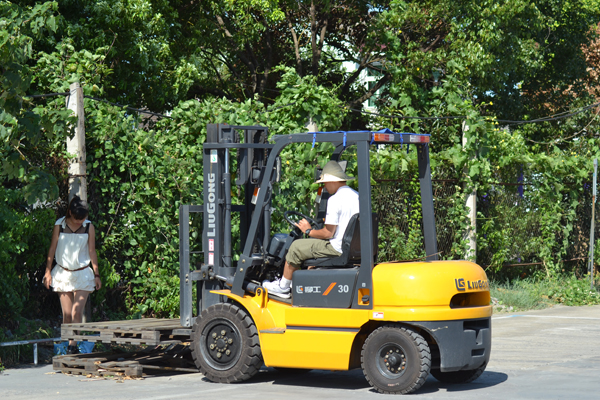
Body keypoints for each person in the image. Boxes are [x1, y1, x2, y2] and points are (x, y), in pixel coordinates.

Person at [264, 161, 359, 298]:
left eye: (325, 183)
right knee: (308, 245)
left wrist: (308, 230)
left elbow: (328, 233)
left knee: (296, 246)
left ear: (332, 180)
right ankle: (295, 281)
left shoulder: (335, 199)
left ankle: (283, 286)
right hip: (351, 248)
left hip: (337, 248)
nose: (325, 187)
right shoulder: (357, 196)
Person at [43, 196, 101, 354]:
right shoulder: (59, 225)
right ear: (70, 213)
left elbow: (92, 251)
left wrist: (97, 274)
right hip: (63, 273)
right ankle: (68, 345)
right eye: (77, 218)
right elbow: (52, 248)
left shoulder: (89, 227)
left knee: (77, 311)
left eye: (82, 219)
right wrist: (48, 271)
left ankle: (72, 346)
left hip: (82, 273)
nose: (79, 222)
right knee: (67, 315)